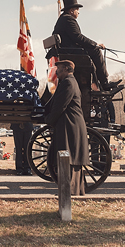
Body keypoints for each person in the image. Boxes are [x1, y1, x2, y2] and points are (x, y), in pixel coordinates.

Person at [52, 0, 116, 90]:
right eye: (77, 9)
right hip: (70, 51)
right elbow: (78, 37)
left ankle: (99, 81)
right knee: (96, 52)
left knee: (94, 50)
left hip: (67, 50)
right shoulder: (68, 19)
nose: (79, 12)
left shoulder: (63, 19)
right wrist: (96, 45)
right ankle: (104, 82)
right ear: (71, 10)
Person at [45, 59, 89, 195]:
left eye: (58, 69)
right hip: (69, 125)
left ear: (66, 69)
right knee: (69, 160)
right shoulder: (67, 82)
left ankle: (69, 194)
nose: (56, 71)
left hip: (70, 126)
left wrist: (48, 120)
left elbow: (60, 106)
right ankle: (72, 192)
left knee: (69, 160)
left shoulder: (68, 83)